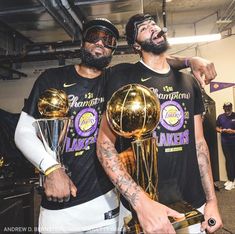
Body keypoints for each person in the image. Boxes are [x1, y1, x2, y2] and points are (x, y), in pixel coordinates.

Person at [14, 17, 218, 233]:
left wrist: (191, 60)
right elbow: (23, 132)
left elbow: (156, 62)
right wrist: (51, 168)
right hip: (61, 206)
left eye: (108, 39)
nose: (100, 43)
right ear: (83, 41)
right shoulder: (52, 78)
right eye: (94, 36)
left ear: (113, 48)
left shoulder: (116, 77)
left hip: (107, 206)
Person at [96, 14, 223, 234]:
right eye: (144, 28)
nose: (153, 27)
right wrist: (141, 203)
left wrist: (211, 200)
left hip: (193, 203)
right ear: (136, 44)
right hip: (146, 211)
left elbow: (199, 144)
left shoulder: (189, 81)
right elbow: (104, 146)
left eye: (153, 23)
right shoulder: (122, 76)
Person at [216, 102, 235, 190]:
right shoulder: (220, 117)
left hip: (233, 141)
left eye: (229, 108)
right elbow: (217, 127)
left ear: (231, 108)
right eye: (226, 109)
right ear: (224, 108)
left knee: (232, 160)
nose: (227, 110)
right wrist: (220, 130)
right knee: (228, 160)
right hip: (225, 142)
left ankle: (232, 180)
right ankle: (230, 179)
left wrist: (233, 131)